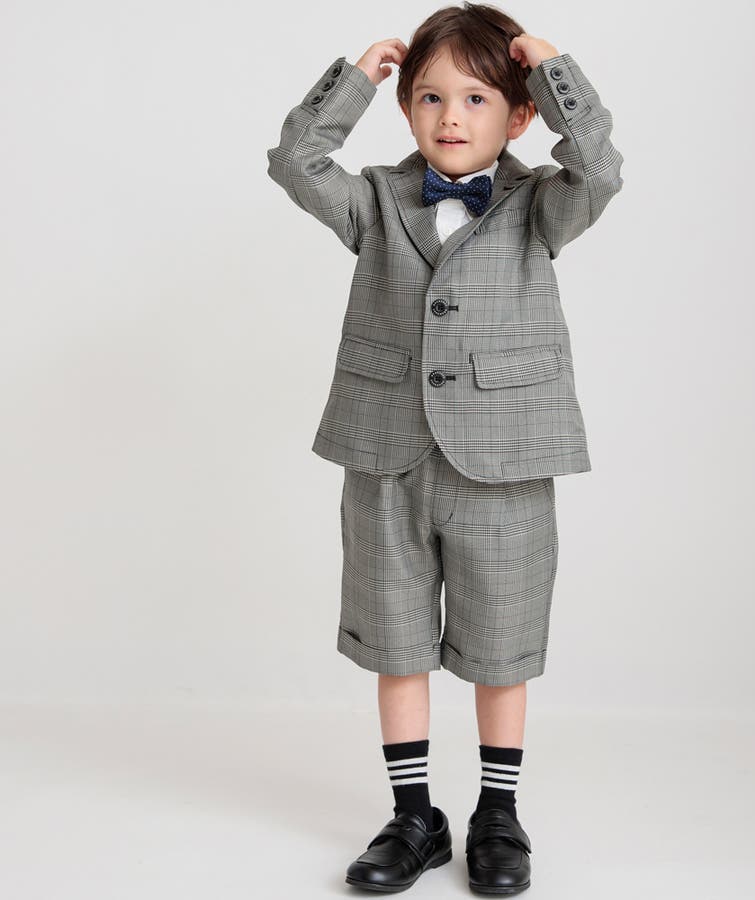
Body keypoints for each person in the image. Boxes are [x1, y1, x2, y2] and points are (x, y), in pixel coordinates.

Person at [266, 2, 623, 893]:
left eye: (476, 98)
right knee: (396, 641)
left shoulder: (543, 206)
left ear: (520, 115)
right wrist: (355, 83)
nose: (451, 117)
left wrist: (554, 71)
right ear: (406, 110)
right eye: (430, 97)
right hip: (385, 453)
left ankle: (498, 814)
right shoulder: (375, 202)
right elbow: (296, 162)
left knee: (502, 641)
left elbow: (602, 168)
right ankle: (413, 817)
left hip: (506, 457)